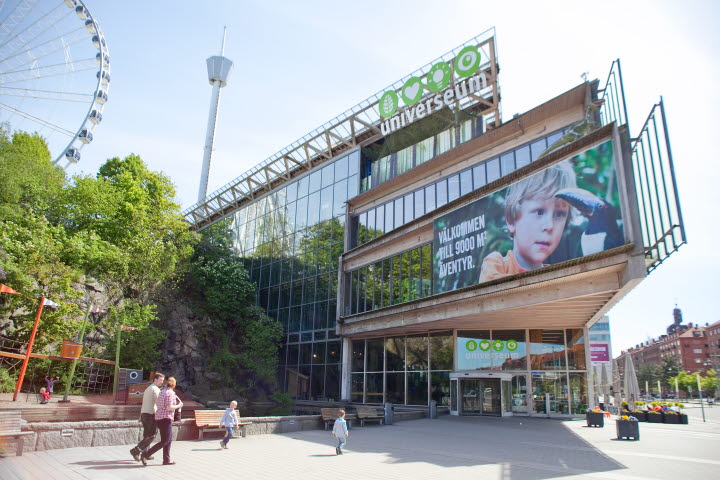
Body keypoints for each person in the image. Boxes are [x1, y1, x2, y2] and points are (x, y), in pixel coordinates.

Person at [479, 161, 576, 282]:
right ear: (511, 220)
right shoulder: (497, 264)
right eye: (539, 212)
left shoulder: (556, 278)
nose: (549, 226)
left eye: (559, 214)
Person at [141, 376, 183, 466]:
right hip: (165, 418)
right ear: (174, 384)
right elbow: (169, 407)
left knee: (169, 440)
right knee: (165, 441)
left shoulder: (162, 391)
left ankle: (166, 460)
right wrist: (179, 405)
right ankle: (145, 454)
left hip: (159, 417)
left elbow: (160, 404)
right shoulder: (170, 393)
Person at [130, 372, 165, 462]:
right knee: (152, 435)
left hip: (144, 414)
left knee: (147, 435)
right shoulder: (156, 389)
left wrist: (140, 416)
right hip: (151, 414)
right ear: (155, 379)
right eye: (160, 380)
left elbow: (144, 403)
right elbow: (159, 403)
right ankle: (136, 450)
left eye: (163, 381)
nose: (162, 382)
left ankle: (145, 453)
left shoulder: (148, 388)